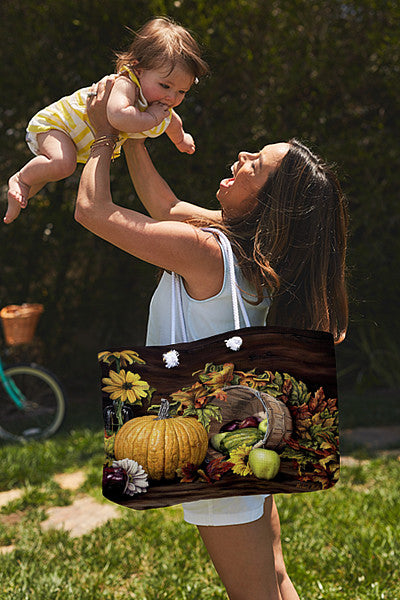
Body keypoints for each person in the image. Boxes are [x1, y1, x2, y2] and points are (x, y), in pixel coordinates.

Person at [74, 77, 348, 600]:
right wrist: (136, 134)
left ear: (272, 203)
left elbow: (92, 211)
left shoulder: (206, 250)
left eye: (257, 166)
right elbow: (166, 206)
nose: (243, 155)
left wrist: (104, 136)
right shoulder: (254, 258)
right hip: (242, 446)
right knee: (276, 582)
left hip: (212, 456)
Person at [4, 16, 208, 224]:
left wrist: (181, 139)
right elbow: (118, 117)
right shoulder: (127, 84)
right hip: (59, 126)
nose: (172, 97)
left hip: (74, 140)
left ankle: (19, 197)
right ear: (139, 69)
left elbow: (172, 122)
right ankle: (20, 178)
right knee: (62, 164)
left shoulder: (159, 104)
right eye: (165, 86)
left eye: (182, 91)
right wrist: (151, 117)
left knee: (52, 171)